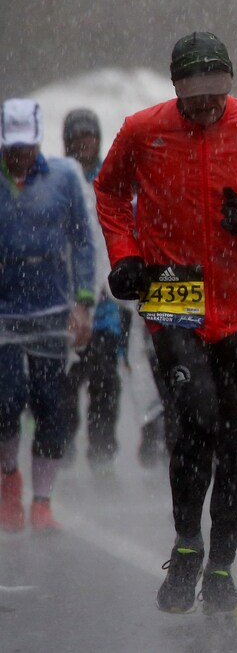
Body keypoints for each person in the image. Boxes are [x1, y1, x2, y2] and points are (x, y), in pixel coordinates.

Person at [94, 32, 237, 615]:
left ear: (231, 83)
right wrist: (126, 256)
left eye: (217, 92)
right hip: (174, 296)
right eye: (196, 95)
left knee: (235, 436)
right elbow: (109, 192)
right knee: (197, 418)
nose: (208, 105)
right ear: (176, 87)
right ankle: (186, 543)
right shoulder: (142, 129)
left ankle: (222, 571)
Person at [0, 98, 95, 533]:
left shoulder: (63, 178)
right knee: (6, 401)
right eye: (11, 147)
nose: (18, 154)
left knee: (50, 405)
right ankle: (8, 479)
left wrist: (83, 302)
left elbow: (82, 242)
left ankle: (42, 501)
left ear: (38, 142)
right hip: (3, 310)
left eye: (25, 146)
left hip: (52, 307)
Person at [60, 109, 131, 474]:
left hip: (106, 307)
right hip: (67, 306)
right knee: (66, 386)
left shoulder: (112, 178)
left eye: (90, 135)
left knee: (106, 384)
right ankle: (61, 450)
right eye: (77, 135)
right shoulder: (60, 180)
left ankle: (102, 454)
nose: (84, 142)